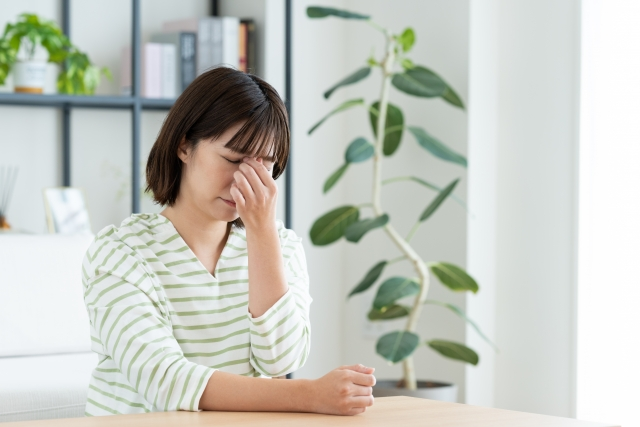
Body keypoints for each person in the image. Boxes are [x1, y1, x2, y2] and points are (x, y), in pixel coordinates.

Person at [81, 67, 375, 417]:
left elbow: (281, 358)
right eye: (234, 160)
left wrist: (262, 232)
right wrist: (309, 395)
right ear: (184, 146)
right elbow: (165, 380)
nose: (247, 182)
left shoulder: (281, 246)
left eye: (265, 166)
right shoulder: (118, 255)